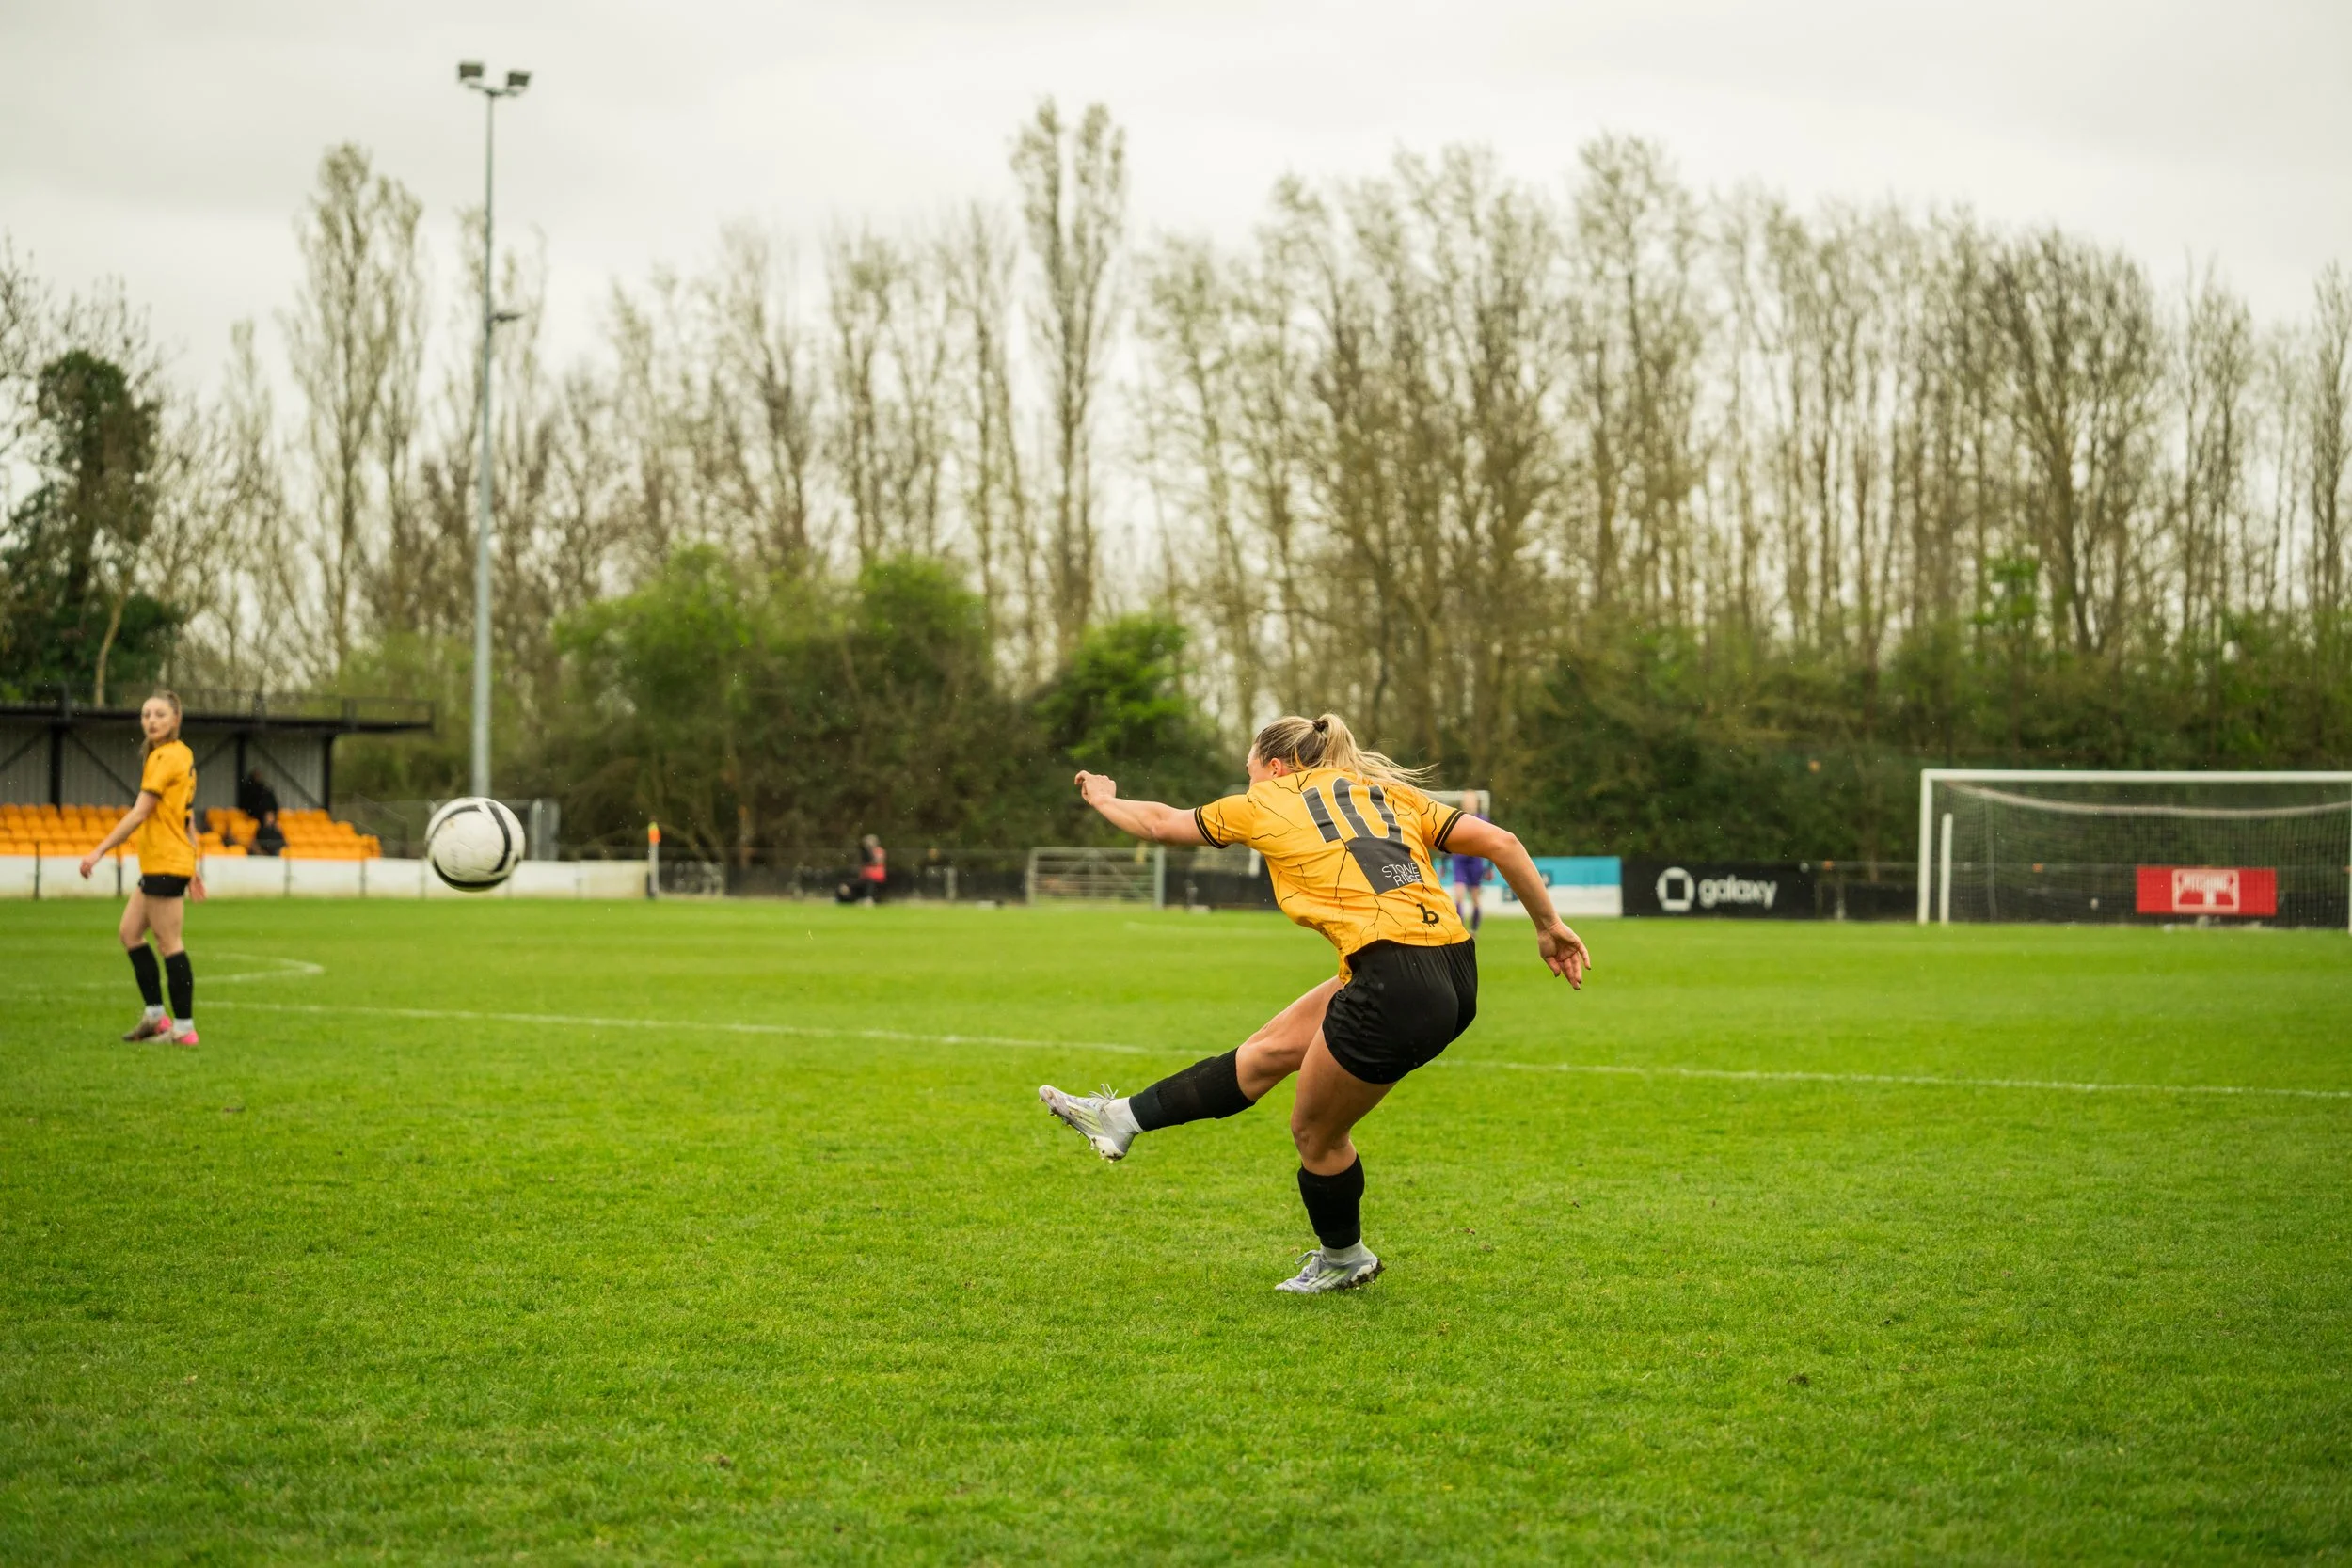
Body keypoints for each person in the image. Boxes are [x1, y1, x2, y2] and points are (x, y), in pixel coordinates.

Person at [1038, 713, 1590, 1293]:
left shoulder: (1266, 800)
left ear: (1276, 767)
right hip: (1451, 967)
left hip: (1395, 982)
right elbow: (1501, 841)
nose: (1249, 782)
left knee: (1315, 1135)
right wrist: (1548, 925)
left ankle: (1345, 1258)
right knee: (1267, 1052)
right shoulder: (1385, 792)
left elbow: (1158, 823)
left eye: (1249, 771)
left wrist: (1102, 797)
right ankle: (1120, 1118)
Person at [82, 690, 205, 1047]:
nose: (151, 720)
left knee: (170, 943)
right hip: (165, 860)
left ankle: (183, 1028)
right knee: (130, 933)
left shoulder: (166, 757)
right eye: (146, 713)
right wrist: (194, 865)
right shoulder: (181, 756)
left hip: (165, 861)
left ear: (175, 720)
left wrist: (98, 851)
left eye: (160, 714)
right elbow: (187, 816)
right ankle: (155, 1015)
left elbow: (140, 812)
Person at [857, 833, 886, 904]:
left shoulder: (879, 851)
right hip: (865, 876)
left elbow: (877, 861)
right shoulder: (864, 852)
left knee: (870, 883)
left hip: (876, 876)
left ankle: (869, 898)